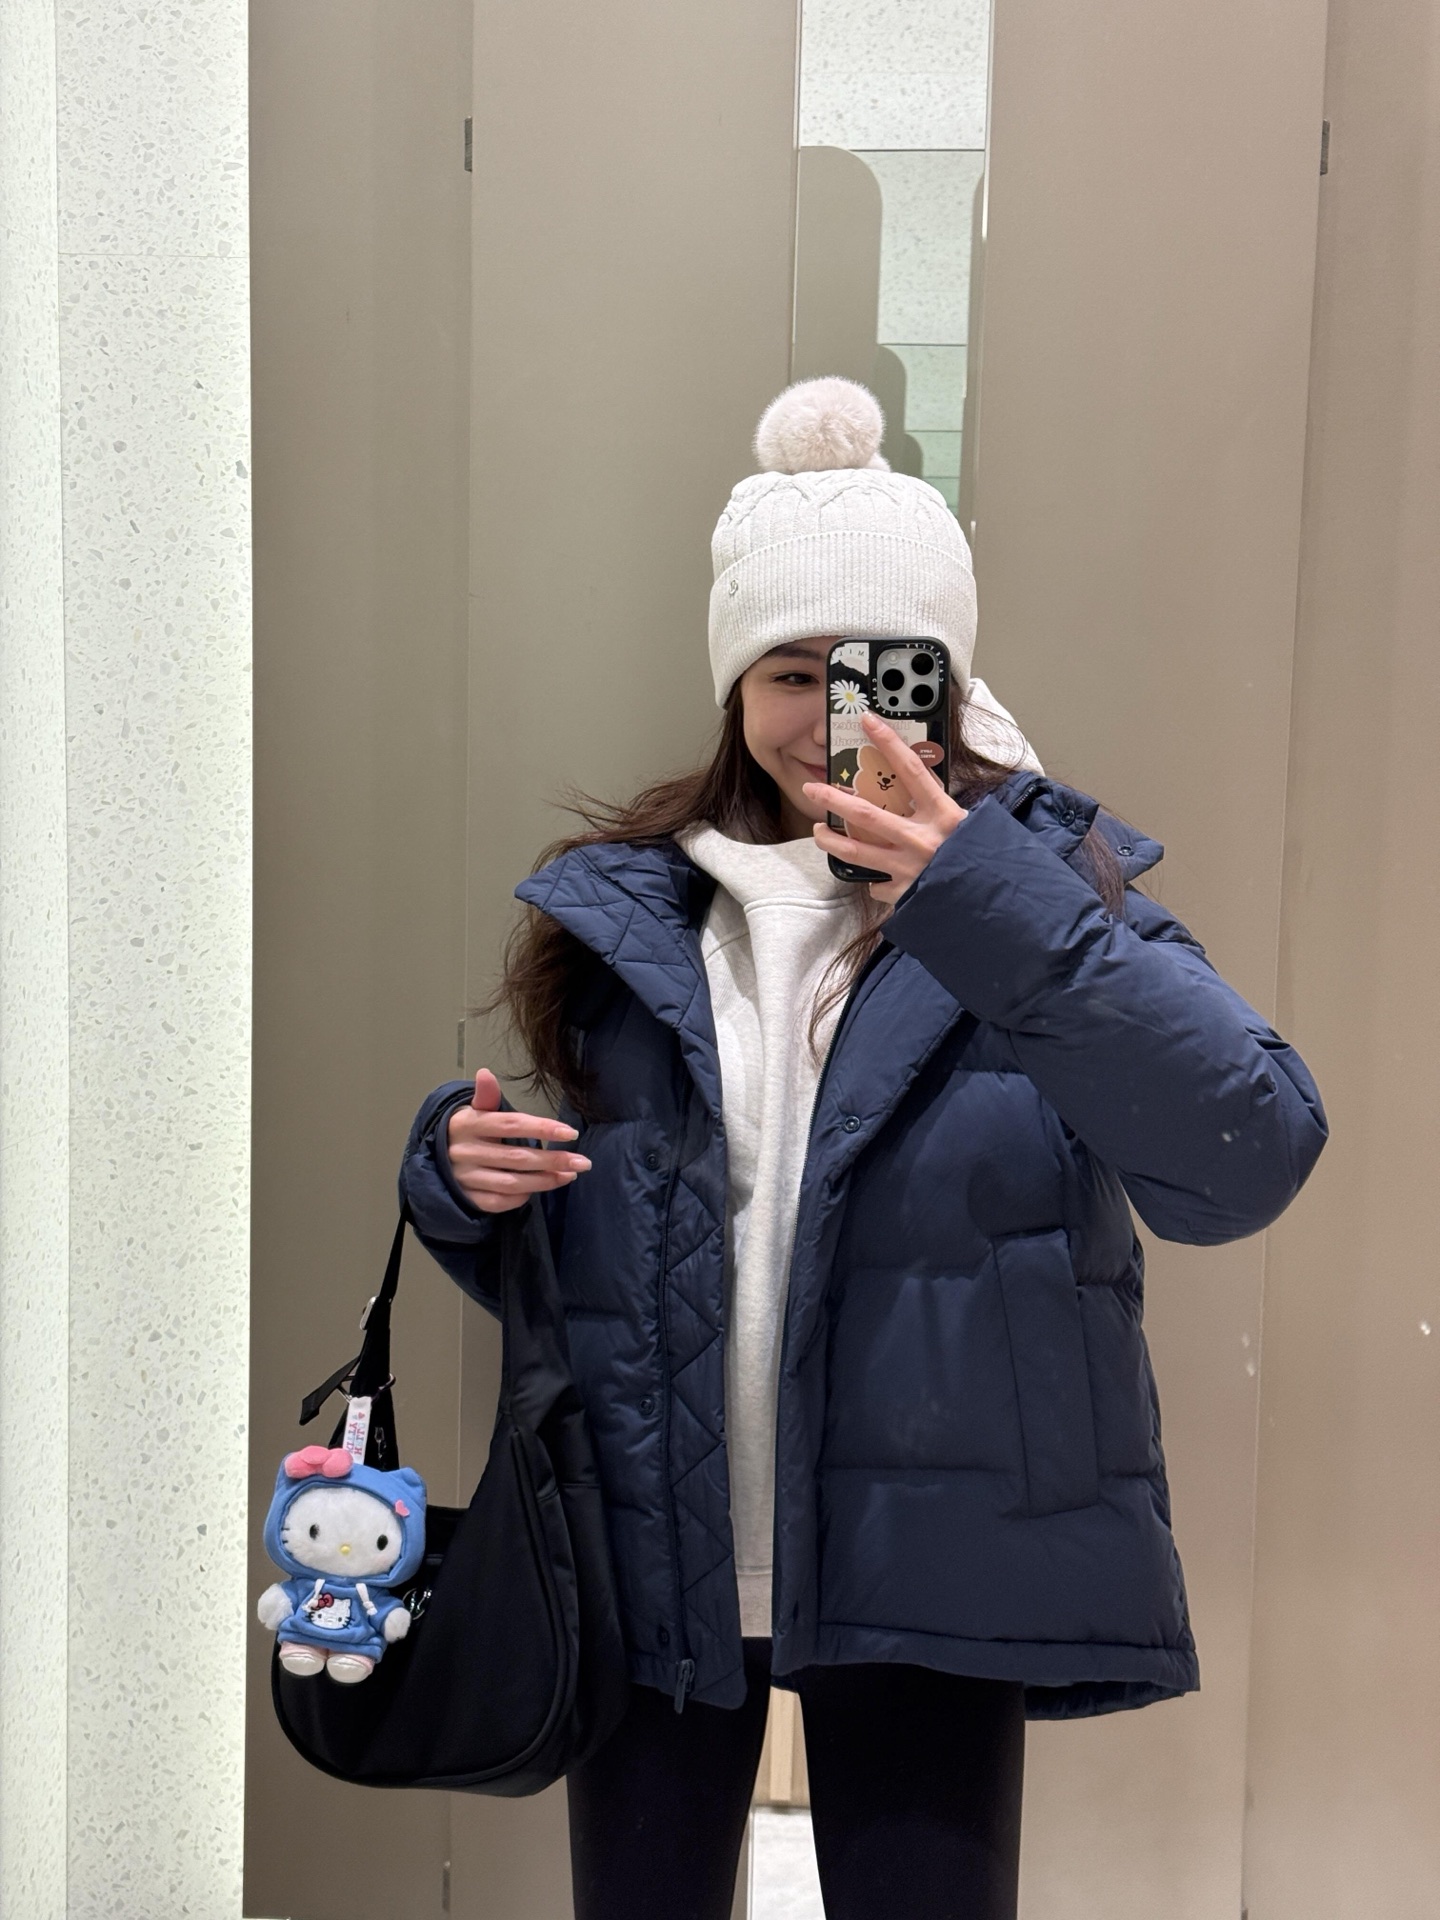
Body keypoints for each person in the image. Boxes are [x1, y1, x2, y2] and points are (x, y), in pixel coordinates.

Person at [398, 378, 1327, 1920]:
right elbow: (596, 1268)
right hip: (654, 1552)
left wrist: (988, 903)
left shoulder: (1056, 892)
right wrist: (461, 1179)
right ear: (731, 688)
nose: (835, 710)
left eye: (880, 671)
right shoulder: (633, 911)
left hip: (936, 1554)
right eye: (790, 669)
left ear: (948, 682)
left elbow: (1248, 1153)